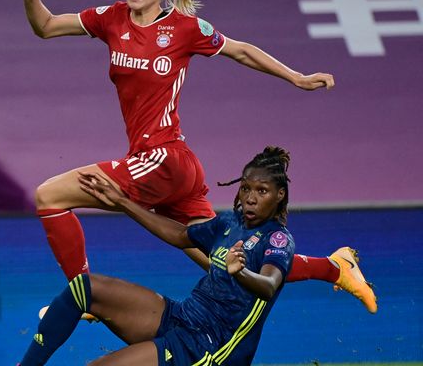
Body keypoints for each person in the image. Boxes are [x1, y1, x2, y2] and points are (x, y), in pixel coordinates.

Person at [10, 0, 376, 313]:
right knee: (227, 263)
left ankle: (82, 296)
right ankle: (335, 268)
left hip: (163, 158)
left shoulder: (184, 29)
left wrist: (296, 77)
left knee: (50, 196)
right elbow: (46, 26)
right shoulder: (110, 18)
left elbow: (240, 50)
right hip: (168, 166)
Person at [19, 147, 295, 365]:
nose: (250, 197)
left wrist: (242, 272)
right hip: (184, 317)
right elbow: (180, 235)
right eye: (246, 188)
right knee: (84, 288)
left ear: (279, 195)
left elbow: (269, 286)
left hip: (210, 346)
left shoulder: (277, 240)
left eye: (262, 191)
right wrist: (124, 202)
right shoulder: (229, 223)